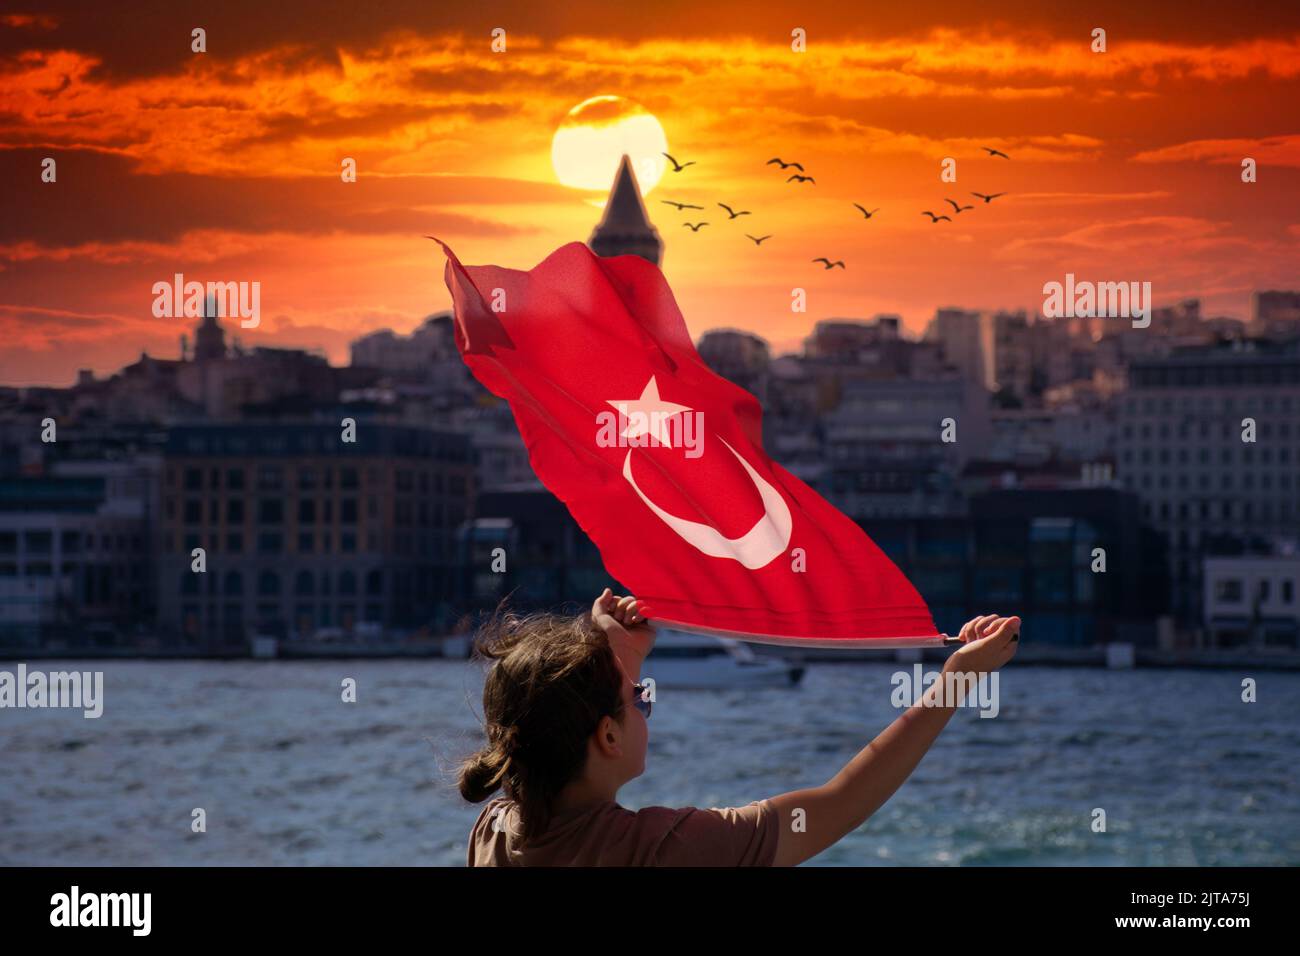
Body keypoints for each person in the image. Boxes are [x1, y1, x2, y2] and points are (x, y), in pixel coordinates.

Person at [460, 587, 1019, 866]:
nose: (646, 704)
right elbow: (841, 802)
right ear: (607, 736)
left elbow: (557, 713)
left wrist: (619, 658)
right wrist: (955, 681)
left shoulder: (495, 830)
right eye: (641, 700)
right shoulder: (654, 849)